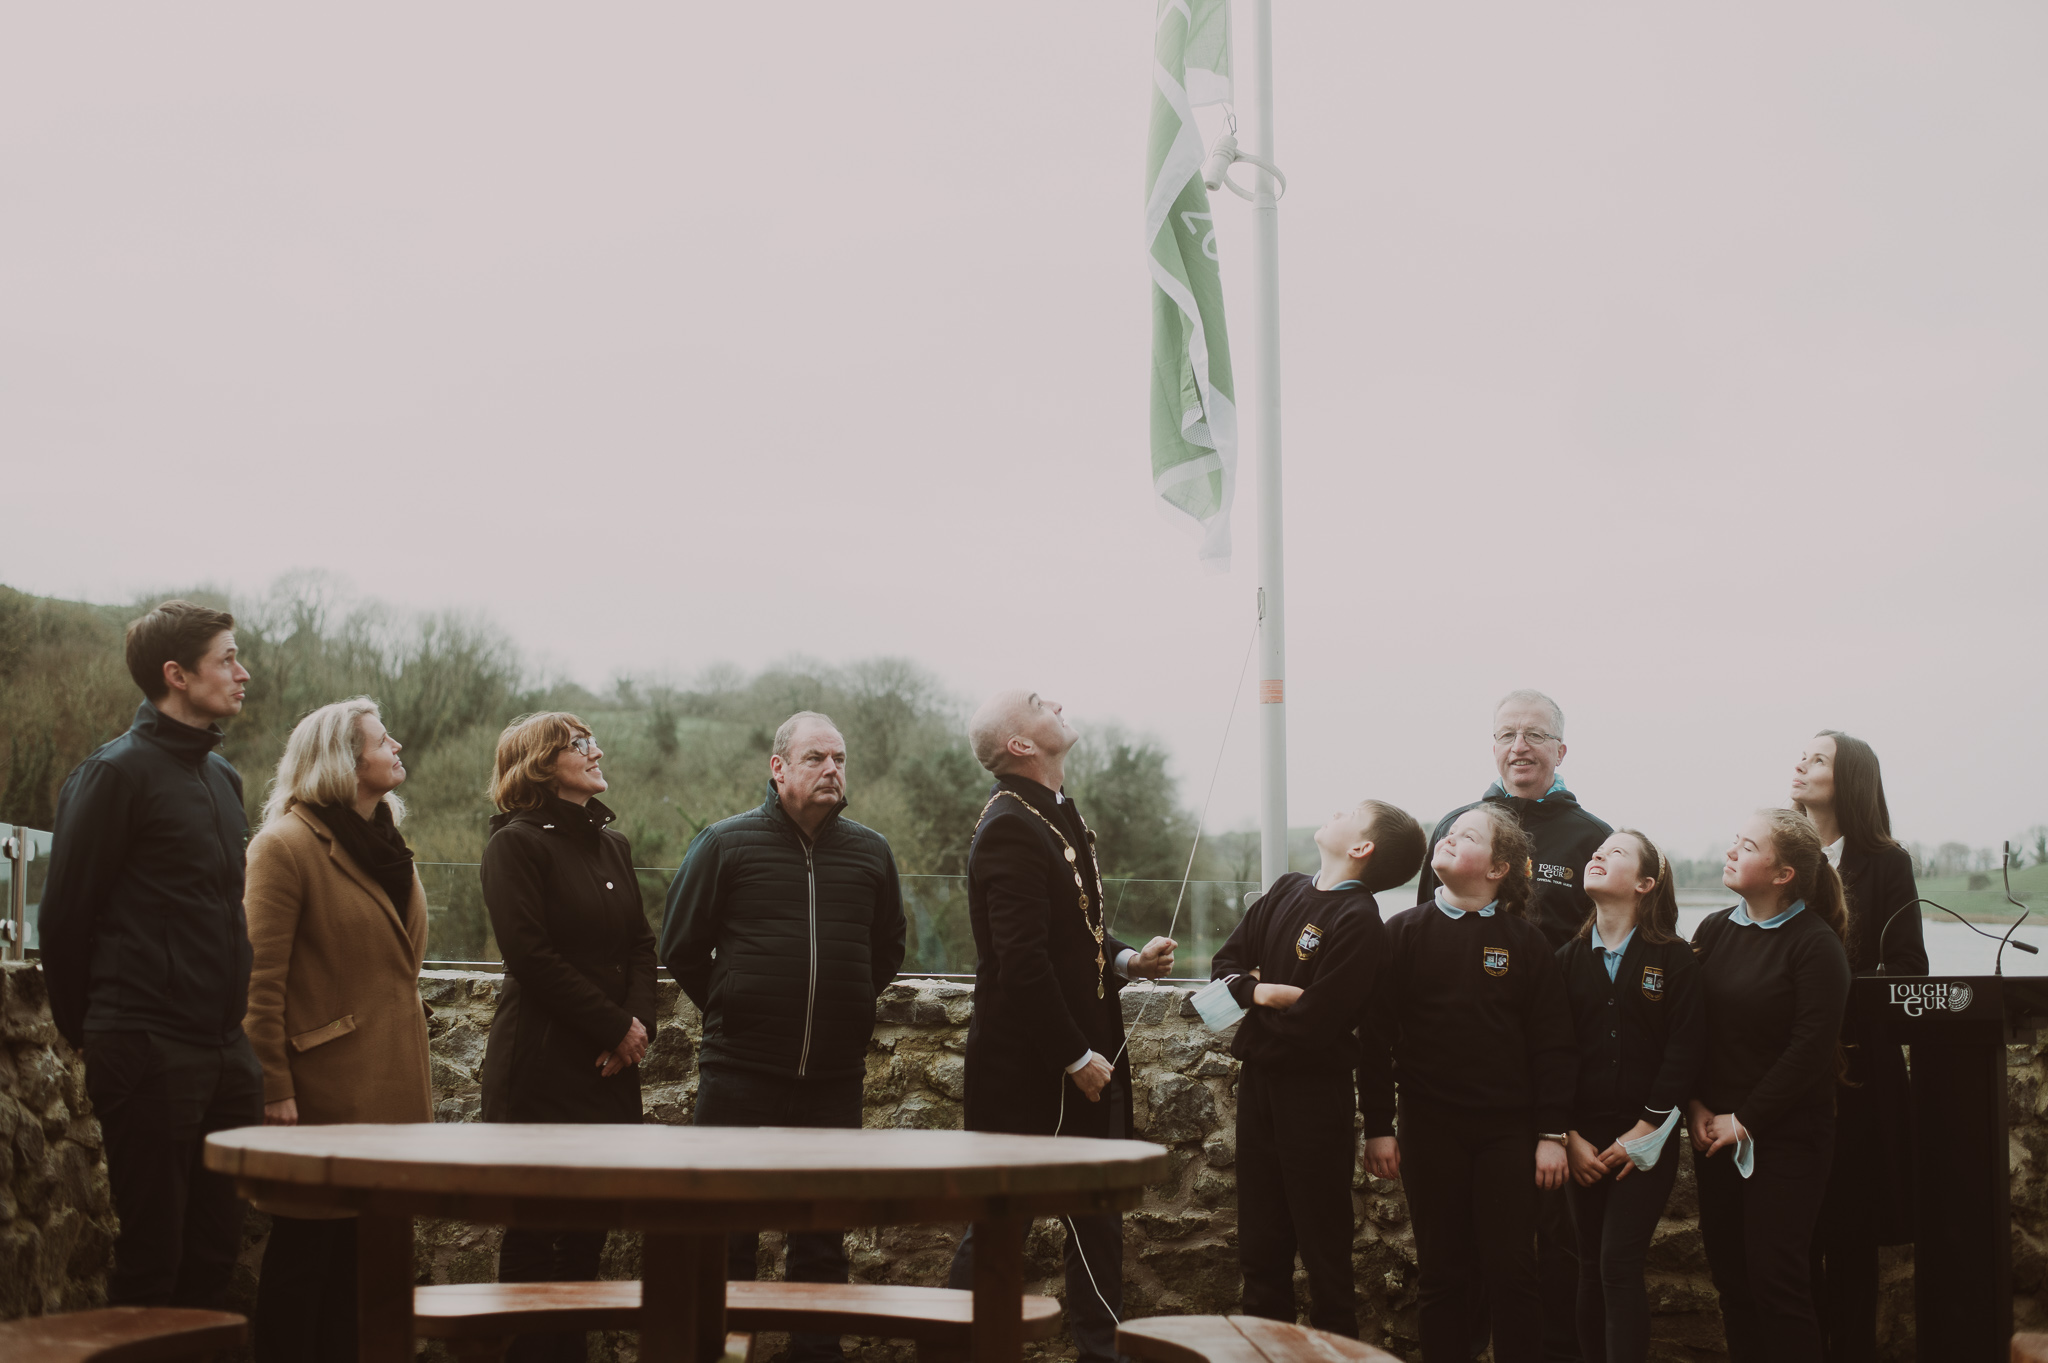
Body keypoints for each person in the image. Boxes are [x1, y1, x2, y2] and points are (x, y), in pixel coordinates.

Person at [35, 600, 263, 1309]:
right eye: (227, 658)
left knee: (216, 1254)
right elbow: (65, 918)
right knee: (151, 1261)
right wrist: (102, 1034)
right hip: (145, 1045)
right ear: (176, 674)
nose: (242, 672)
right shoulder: (115, 773)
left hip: (226, 1052)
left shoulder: (224, 780)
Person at [660, 710, 907, 1363]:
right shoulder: (724, 843)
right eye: (815, 757)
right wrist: (733, 1006)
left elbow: (887, 950)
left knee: (822, 1228)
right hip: (739, 1070)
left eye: (840, 758)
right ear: (778, 768)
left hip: (833, 1076)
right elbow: (680, 945)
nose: (832, 769)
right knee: (727, 1225)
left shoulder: (871, 851)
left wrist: (845, 1006)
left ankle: (815, 1349)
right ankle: (716, 1346)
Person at [947, 690, 1178, 1363]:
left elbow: (1073, 934)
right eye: (1037, 701)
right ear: (1020, 744)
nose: (1056, 701)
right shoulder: (1009, 825)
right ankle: (957, 1351)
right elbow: (1020, 961)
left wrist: (1129, 959)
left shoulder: (1054, 812)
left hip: (1084, 1058)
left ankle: (1100, 1352)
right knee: (1002, 1222)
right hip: (1030, 1071)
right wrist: (1075, 1054)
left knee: (1096, 1213)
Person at [1415, 689, 1610, 1361]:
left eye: (1534, 734)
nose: (1519, 745)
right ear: (1492, 745)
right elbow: (1427, 936)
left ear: (1561, 748)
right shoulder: (1460, 824)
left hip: (1556, 1062)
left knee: (1550, 1242)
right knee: (1457, 1245)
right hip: (1461, 1073)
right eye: (1506, 733)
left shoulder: (1592, 836)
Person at [241, 697, 432, 1362]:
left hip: (388, 1093)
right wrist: (274, 1089)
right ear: (346, 760)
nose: (398, 745)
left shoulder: (387, 844)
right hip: (320, 1095)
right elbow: (260, 981)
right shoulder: (284, 845)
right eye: (384, 739)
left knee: (366, 1268)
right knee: (306, 1263)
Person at [1360, 805, 1576, 1363]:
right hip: (1430, 1129)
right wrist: (1380, 1128)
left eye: (1468, 836)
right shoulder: (1401, 933)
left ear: (1500, 867)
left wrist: (1551, 1134)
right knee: (1442, 1273)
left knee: (1512, 1271)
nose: (1451, 839)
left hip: (1510, 1132)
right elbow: (1374, 1042)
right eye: (1448, 833)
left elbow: (1553, 1046)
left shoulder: (1526, 944)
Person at [479, 713, 660, 1363]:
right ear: (541, 761)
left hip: (609, 1069)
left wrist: (635, 1028)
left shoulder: (613, 846)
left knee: (586, 1239)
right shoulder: (515, 844)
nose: (598, 750)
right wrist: (613, 1025)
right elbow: (531, 955)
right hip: (542, 1070)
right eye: (581, 744)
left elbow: (642, 943)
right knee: (535, 1239)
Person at [1209, 798, 1425, 1337]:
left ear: (1361, 848)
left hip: (1313, 1096)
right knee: (1261, 1247)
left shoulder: (1359, 922)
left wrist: (1254, 1008)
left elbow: (1313, 1028)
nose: (1335, 809)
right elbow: (1223, 969)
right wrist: (1264, 991)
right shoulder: (1284, 889)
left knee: (1323, 1250)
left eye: (1351, 811)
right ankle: (1265, 1350)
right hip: (1259, 1088)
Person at [1687, 810, 1853, 1363]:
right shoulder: (1711, 930)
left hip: (1788, 1139)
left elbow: (1809, 1052)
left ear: (1783, 874)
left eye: (1748, 846)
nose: (1732, 851)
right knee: (1733, 1284)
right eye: (1735, 841)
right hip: (1715, 1133)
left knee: (1777, 1285)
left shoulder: (1816, 945)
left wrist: (1745, 1119)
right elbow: (1688, 1029)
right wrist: (1697, 1106)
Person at [1791, 732, 1927, 1361]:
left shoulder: (1886, 863)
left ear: (1849, 781)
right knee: (1790, 1237)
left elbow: (1908, 969)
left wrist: (1830, 1000)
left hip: (1856, 1075)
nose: (1801, 764)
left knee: (1848, 1235)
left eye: (1817, 759)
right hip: (1779, 1067)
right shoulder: (1779, 850)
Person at [1557, 831, 1704, 1363]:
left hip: (1647, 1144)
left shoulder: (1675, 959)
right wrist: (1567, 1136)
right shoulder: (1566, 960)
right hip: (1581, 1143)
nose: (1596, 853)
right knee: (1590, 1267)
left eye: (1615, 852)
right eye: (1596, 849)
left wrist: (1645, 1131)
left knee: (1619, 1265)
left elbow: (1685, 1054)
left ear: (1645, 884)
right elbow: (1551, 1054)